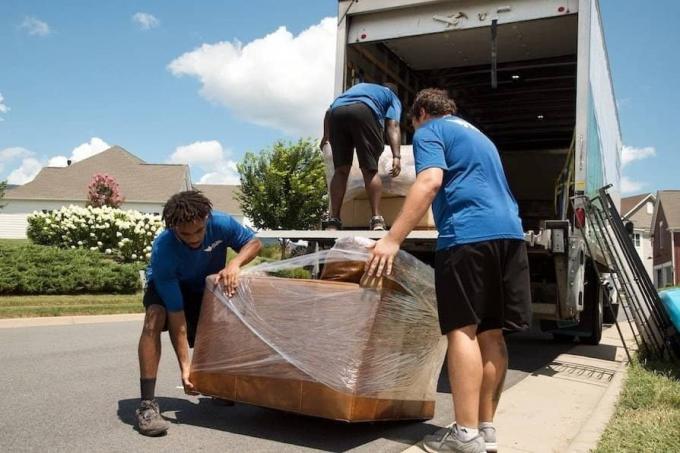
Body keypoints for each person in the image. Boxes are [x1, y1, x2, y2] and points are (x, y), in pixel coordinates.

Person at [366, 89, 531, 453]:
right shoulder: (479, 136)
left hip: (468, 236)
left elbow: (430, 181)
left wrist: (393, 239)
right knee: (491, 333)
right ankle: (484, 430)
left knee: (462, 330)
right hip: (510, 235)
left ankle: (464, 436)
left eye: (412, 123)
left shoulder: (430, 131)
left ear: (421, 113)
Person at [136, 190, 261, 436]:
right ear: (173, 228)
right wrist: (185, 366)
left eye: (199, 231)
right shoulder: (164, 250)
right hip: (170, 287)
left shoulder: (222, 223)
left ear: (207, 219)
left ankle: (214, 384)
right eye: (185, 233)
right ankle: (147, 406)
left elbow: (254, 243)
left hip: (203, 284)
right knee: (154, 317)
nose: (194, 238)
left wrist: (234, 263)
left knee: (223, 320)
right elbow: (177, 315)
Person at [320, 82, 402, 230]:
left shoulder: (360, 88)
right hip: (363, 111)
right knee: (369, 169)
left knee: (341, 170)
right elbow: (393, 125)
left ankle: (334, 220)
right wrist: (397, 156)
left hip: (336, 114)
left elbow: (328, 112)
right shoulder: (391, 96)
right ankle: (376, 219)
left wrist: (326, 136)